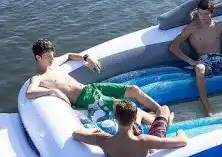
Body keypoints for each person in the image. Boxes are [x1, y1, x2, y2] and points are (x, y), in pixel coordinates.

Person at [26, 38, 161, 124]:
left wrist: (86, 58)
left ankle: (160, 111)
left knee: (134, 89)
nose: (51, 59)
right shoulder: (39, 77)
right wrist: (54, 91)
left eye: (52, 55)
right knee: (125, 106)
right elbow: (29, 92)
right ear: (38, 57)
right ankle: (159, 122)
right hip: (85, 99)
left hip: (91, 88)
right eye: (47, 57)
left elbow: (68, 56)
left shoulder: (54, 63)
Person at [72, 99, 188, 157]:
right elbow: (182, 141)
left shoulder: (103, 140)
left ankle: (146, 119)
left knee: (139, 118)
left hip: (129, 133)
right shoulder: (144, 140)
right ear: (133, 119)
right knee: (164, 109)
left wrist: (94, 132)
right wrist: (180, 132)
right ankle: (165, 120)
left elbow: (76, 134)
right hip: (150, 145)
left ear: (115, 117)